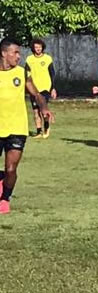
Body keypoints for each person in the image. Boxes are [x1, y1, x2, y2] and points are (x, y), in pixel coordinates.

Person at [0, 38, 55, 214]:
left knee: (11, 169)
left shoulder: (22, 73)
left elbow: (37, 93)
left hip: (17, 128)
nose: (19, 56)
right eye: (15, 52)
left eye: (19, 52)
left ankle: (5, 198)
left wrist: (44, 107)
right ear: (3, 53)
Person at [25, 38, 57, 138]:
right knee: (35, 111)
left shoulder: (47, 58)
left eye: (39, 47)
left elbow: (52, 74)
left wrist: (53, 88)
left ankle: (46, 127)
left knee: (43, 110)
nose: (38, 49)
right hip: (33, 89)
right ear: (33, 48)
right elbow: (27, 74)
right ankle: (38, 132)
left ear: (42, 47)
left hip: (45, 88)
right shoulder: (29, 59)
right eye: (36, 47)